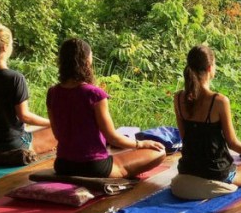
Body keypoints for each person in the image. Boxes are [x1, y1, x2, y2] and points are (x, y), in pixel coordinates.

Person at [46, 38, 165, 178]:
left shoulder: (52, 92)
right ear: (87, 61)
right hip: (94, 167)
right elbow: (113, 138)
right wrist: (141, 143)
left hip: (62, 165)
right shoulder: (94, 94)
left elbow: (57, 135)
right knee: (159, 152)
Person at [173, 45, 241, 186]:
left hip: (187, 170)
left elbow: (185, 138)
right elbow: (232, 143)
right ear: (210, 68)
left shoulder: (178, 97)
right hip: (217, 174)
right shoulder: (219, 101)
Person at [0, 22, 56, 155]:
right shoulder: (15, 78)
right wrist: (52, 123)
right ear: (5, 47)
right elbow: (24, 116)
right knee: (59, 130)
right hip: (13, 145)